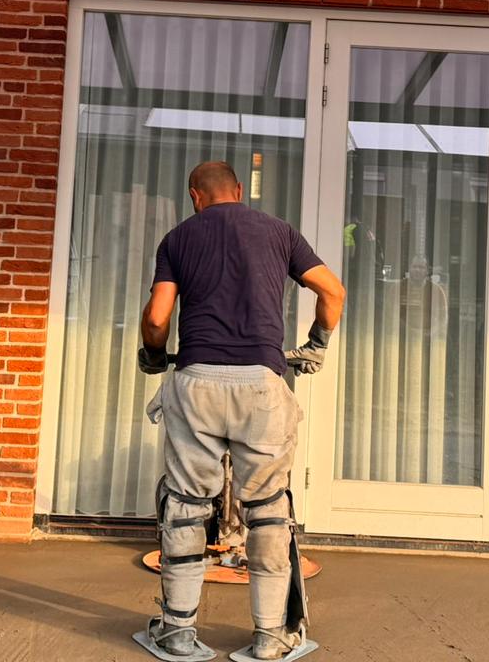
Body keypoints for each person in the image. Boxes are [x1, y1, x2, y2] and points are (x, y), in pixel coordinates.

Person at [136, 161, 346, 662]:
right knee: (269, 509)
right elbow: (333, 292)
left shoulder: (178, 238)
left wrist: (153, 356)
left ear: (196, 195)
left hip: (197, 383)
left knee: (186, 505)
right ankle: (270, 637)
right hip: (262, 386)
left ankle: (177, 633)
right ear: (237, 191)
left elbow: (158, 318)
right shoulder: (280, 233)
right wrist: (316, 345)